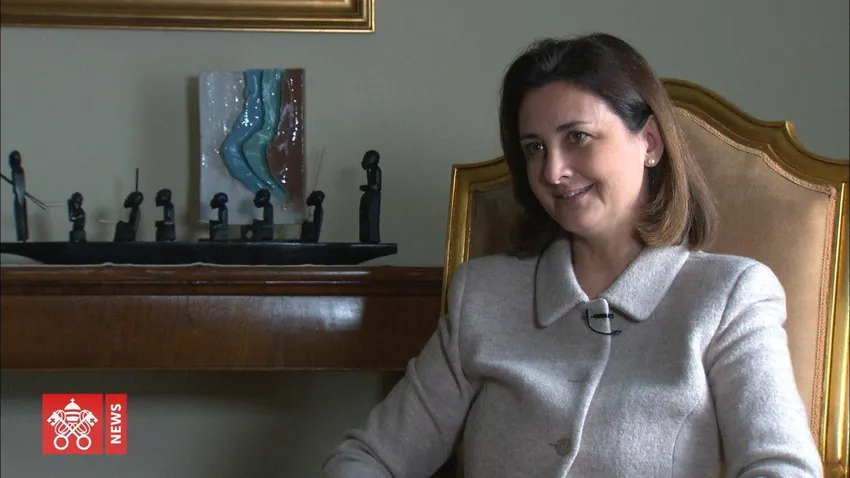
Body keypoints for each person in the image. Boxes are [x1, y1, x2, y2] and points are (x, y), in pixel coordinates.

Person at [321, 33, 822, 478]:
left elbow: (782, 467)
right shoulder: (483, 295)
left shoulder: (730, 297)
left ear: (649, 142)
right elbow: (368, 458)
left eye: (577, 137)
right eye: (534, 148)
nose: (552, 171)